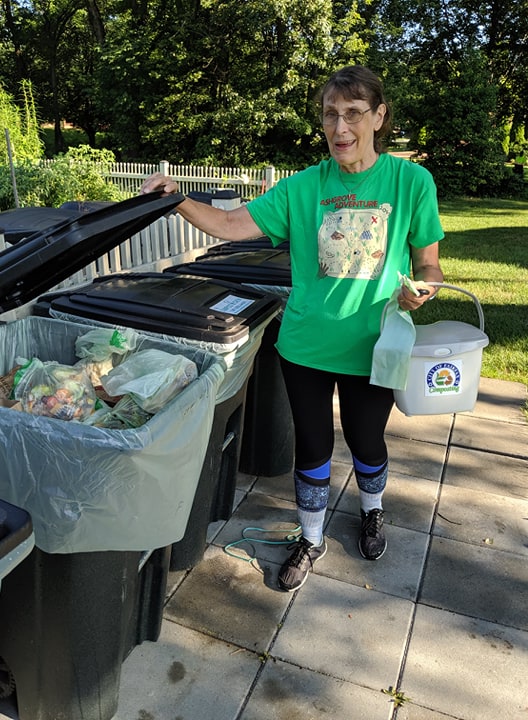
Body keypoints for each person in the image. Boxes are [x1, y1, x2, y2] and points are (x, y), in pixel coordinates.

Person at [141, 65, 444, 593]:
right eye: (331, 115)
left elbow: (430, 265)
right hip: (305, 344)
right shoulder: (304, 187)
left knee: (367, 438)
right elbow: (234, 226)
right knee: (311, 445)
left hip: (375, 346)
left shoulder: (411, 182)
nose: (340, 127)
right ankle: (311, 536)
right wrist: (177, 199)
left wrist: (424, 289)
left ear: (378, 117)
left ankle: (371, 511)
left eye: (353, 114)